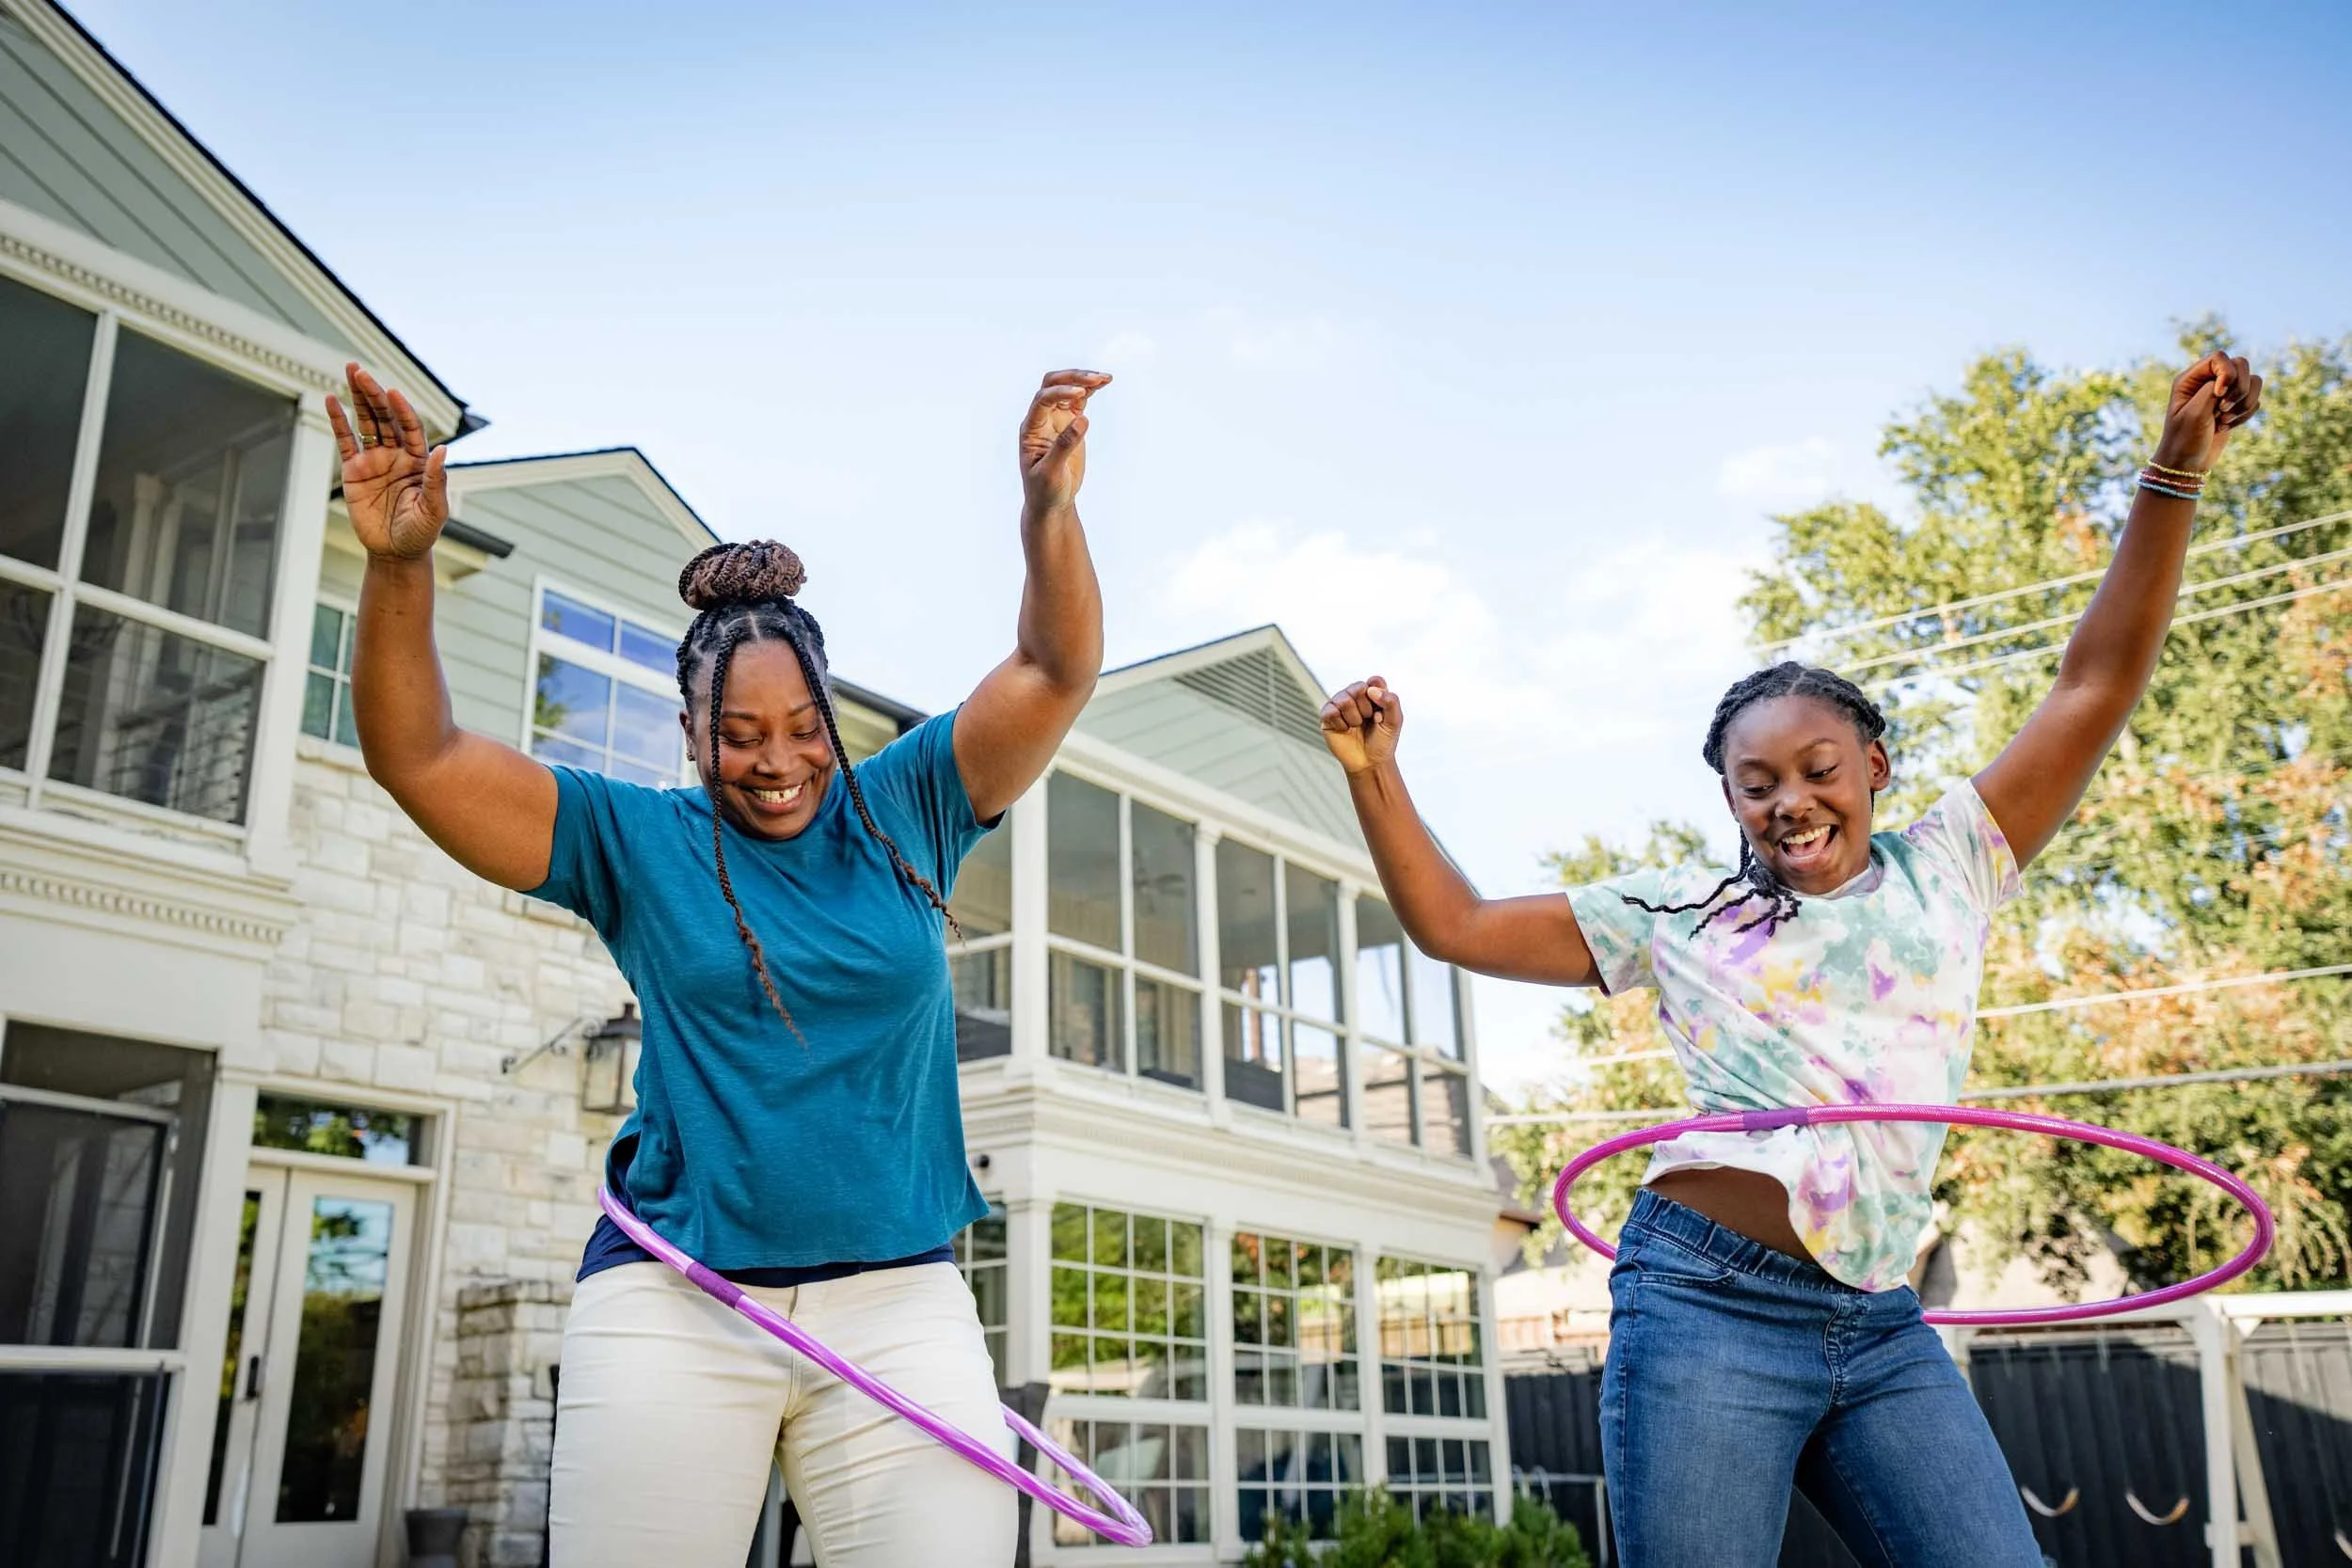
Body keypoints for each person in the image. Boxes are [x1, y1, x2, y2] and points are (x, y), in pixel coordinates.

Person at [1318, 352, 2262, 1568]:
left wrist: (2174, 470)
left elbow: (2096, 679)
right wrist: (1376, 773)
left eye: (1820, 767)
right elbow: (1455, 921)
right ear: (1727, 798)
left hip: (1879, 1318)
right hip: (1705, 1302)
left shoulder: (1953, 864)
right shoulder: (1677, 908)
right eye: (1755, 784)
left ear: (1875, 766)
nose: (1792, 801)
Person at [329, 361, 1111, 1566]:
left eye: (803, 728)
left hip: (900, 1296)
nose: (778, 761)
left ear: (830, 715)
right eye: (739, 735)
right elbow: (420, 758)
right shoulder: (633, 839)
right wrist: (398, 565)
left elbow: (1053, 671)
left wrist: (1046, 511)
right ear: (688, 729)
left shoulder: (906, 806)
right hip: (676, 1294)